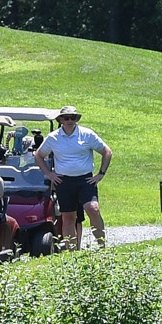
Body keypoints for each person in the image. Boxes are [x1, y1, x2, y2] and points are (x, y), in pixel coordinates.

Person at [38, 105, 112, 249]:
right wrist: (49, 174)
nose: (70, 120)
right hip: (64, 181)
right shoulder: (53, 137)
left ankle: (102, 246)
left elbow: (107, 152)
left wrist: (100, 174)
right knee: (68, 217)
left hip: (85, 180)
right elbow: (39, 155)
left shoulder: (87, 134)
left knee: (93, 208)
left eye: (73, 118)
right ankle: (72, 254)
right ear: (61, 120)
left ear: (76, 119)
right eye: (67, 118)